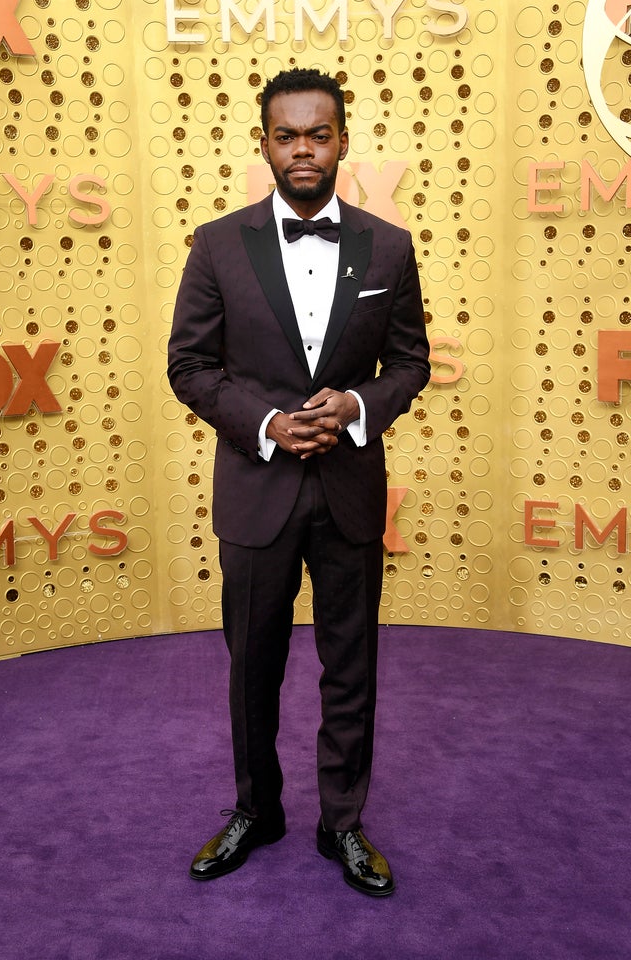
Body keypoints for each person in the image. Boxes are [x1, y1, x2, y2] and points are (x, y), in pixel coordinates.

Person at [167, 67, 430, 897]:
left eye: (319, 134)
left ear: (344, 140)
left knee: (351, 663)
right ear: (265, 144)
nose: (304, 149)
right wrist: (270, 424)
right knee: (254, 664)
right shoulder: (216, 243)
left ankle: (343, 822)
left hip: (350, 486)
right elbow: (190, 366)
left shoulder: (388, 245)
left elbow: (411, 363)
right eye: (288, 136)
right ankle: (257, 810)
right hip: (257, 487)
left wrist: (356, 402)